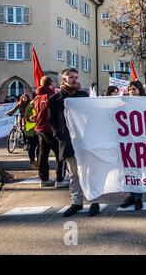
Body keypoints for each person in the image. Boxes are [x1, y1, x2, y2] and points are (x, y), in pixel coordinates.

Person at [49, 69, 100, 217]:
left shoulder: (83, 96)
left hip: (85, 140)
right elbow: (51, 121)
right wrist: (60, 135)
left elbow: (92, 115)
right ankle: (76, 202)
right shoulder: (55, 99)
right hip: (68, 142)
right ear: (63, 78)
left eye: (76, 77)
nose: (74, 79)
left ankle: (94, 201)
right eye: (70, 77)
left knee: (90, 172)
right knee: (74, 174)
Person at [33, 77, 68, 188]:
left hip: (40, 129)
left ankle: (44, 179)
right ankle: (60, 179)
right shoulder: (52, 96)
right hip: (51, 129)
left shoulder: (37, 97)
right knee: (61, 154)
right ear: (51, 83)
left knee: (43, 155)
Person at [119, 81, 146, 211]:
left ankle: (138, 198)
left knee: (138, 169)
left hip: (141, 142)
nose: (131, 91)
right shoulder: (124, 103)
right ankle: (131, 196)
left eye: (134, 89)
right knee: (128, 169)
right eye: (130, 89)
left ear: (140, 90)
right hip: (126, 141)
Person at [25, 100, 39, 170]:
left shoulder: (38, 108)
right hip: (31, 132)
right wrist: (36, 119)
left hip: (38, 131)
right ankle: (32, 162)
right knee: (32, 147)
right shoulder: (29, 109)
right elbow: (28, 119)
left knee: (40, 147)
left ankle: (39, 161)